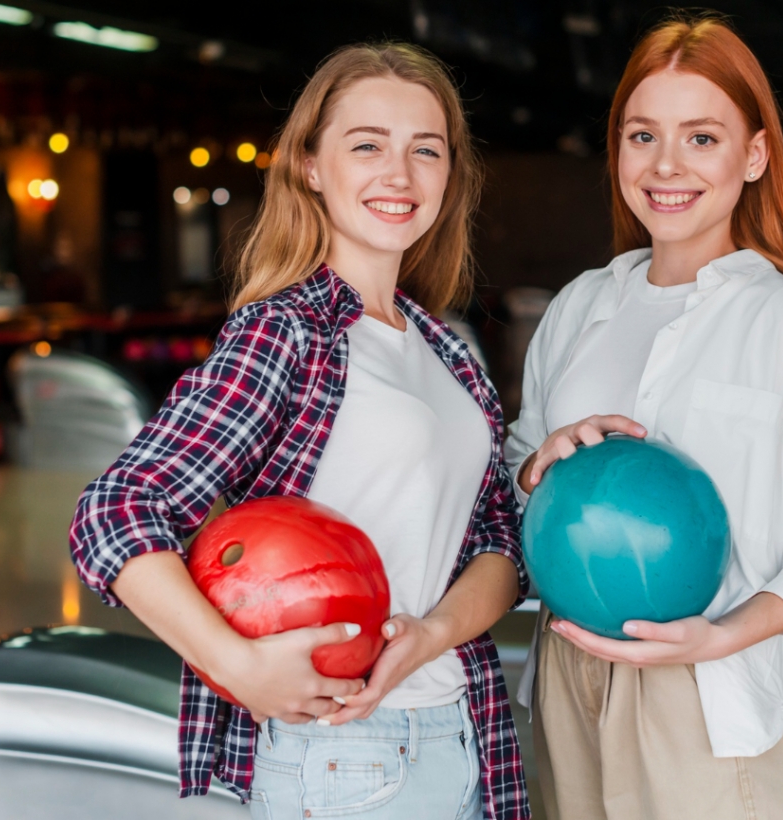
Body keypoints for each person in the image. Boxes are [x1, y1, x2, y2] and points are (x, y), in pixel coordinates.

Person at [70, 42, 531, 820]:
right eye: (366, 146)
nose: (400, 174)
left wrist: (427, 635)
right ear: (310, 166)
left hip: (464, 731)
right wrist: (237, 667)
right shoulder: (286, 333)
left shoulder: (446, 346)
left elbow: (498, 541)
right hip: (340, 750)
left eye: (426, 150)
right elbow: (115, 513)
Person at [505, 15, 783, 820]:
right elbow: (515, 490)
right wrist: (534, 465)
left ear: (753, 155)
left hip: (718, 694)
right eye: (641, 134)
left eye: (700, 138)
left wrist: (725, 635)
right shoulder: (578, 310)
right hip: (568, 680)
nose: (664, 166)